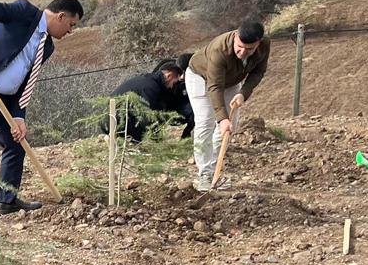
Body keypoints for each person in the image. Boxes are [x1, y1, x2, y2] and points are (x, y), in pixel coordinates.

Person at [0, 0, 84, 213]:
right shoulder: (24, 12)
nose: (70, 31)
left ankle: (7, 200)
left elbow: (28, 81)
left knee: (16, 141)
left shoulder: (47, 48)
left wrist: (19, 116)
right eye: (71, 25)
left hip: (5, 100)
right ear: (61, 16)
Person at [184, 19, 269, 192]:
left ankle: (215, 170)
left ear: (258, 43)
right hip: (201, 78)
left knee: (231, 127)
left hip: (231, 81)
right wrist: (222, 118)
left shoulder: (264, 45)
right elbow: (214, 86)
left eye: (249, 49)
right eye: (239, 46)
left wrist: (243, 93)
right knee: (206, 122)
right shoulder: (219, 49)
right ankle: (204, 174)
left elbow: (258, 71)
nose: (243, 52)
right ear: (235, 35)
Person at [111, 60, 190, 142]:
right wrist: (158, 143)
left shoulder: (151, 82)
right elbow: (149, 118)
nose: (180, 78)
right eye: (178, 75)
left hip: (119, 120)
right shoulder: (151, 87)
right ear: (169, 75)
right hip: (116, 123)